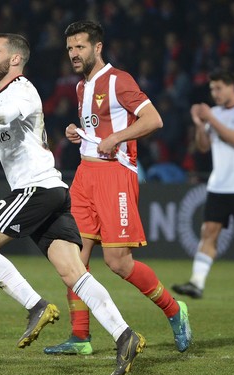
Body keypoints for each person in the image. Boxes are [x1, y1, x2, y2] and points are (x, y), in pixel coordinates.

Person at [0, 32, 146, 375]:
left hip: (34, 189)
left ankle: (36, 306)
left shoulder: (21, 91)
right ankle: (124, 335)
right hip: (52, 191)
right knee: (74, 273)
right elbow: (0, 142)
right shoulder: (7, 98)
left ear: (14, 59)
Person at [44, 20, 192, 356]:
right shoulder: (82, 87)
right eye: (70, 48)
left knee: (118, 262)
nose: (74, 54)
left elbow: (154, 119)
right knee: (72, 259)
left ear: (97, 47)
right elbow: (99, 130)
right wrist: (78, 134)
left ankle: (174, 310)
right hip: (84, 177)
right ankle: (80, 337)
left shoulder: (118, 80)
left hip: (115, 177)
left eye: (80, 47)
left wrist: (118, 138)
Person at [172, 71, 234, 300]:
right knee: (209, 231)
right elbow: (204, 147)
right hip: (218, 184)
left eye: (218, 88)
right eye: (212, 89)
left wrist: (211, 119)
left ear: (230, 86)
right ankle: (196, 283)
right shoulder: (213, 113)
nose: (214, 94)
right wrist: (199, 124)